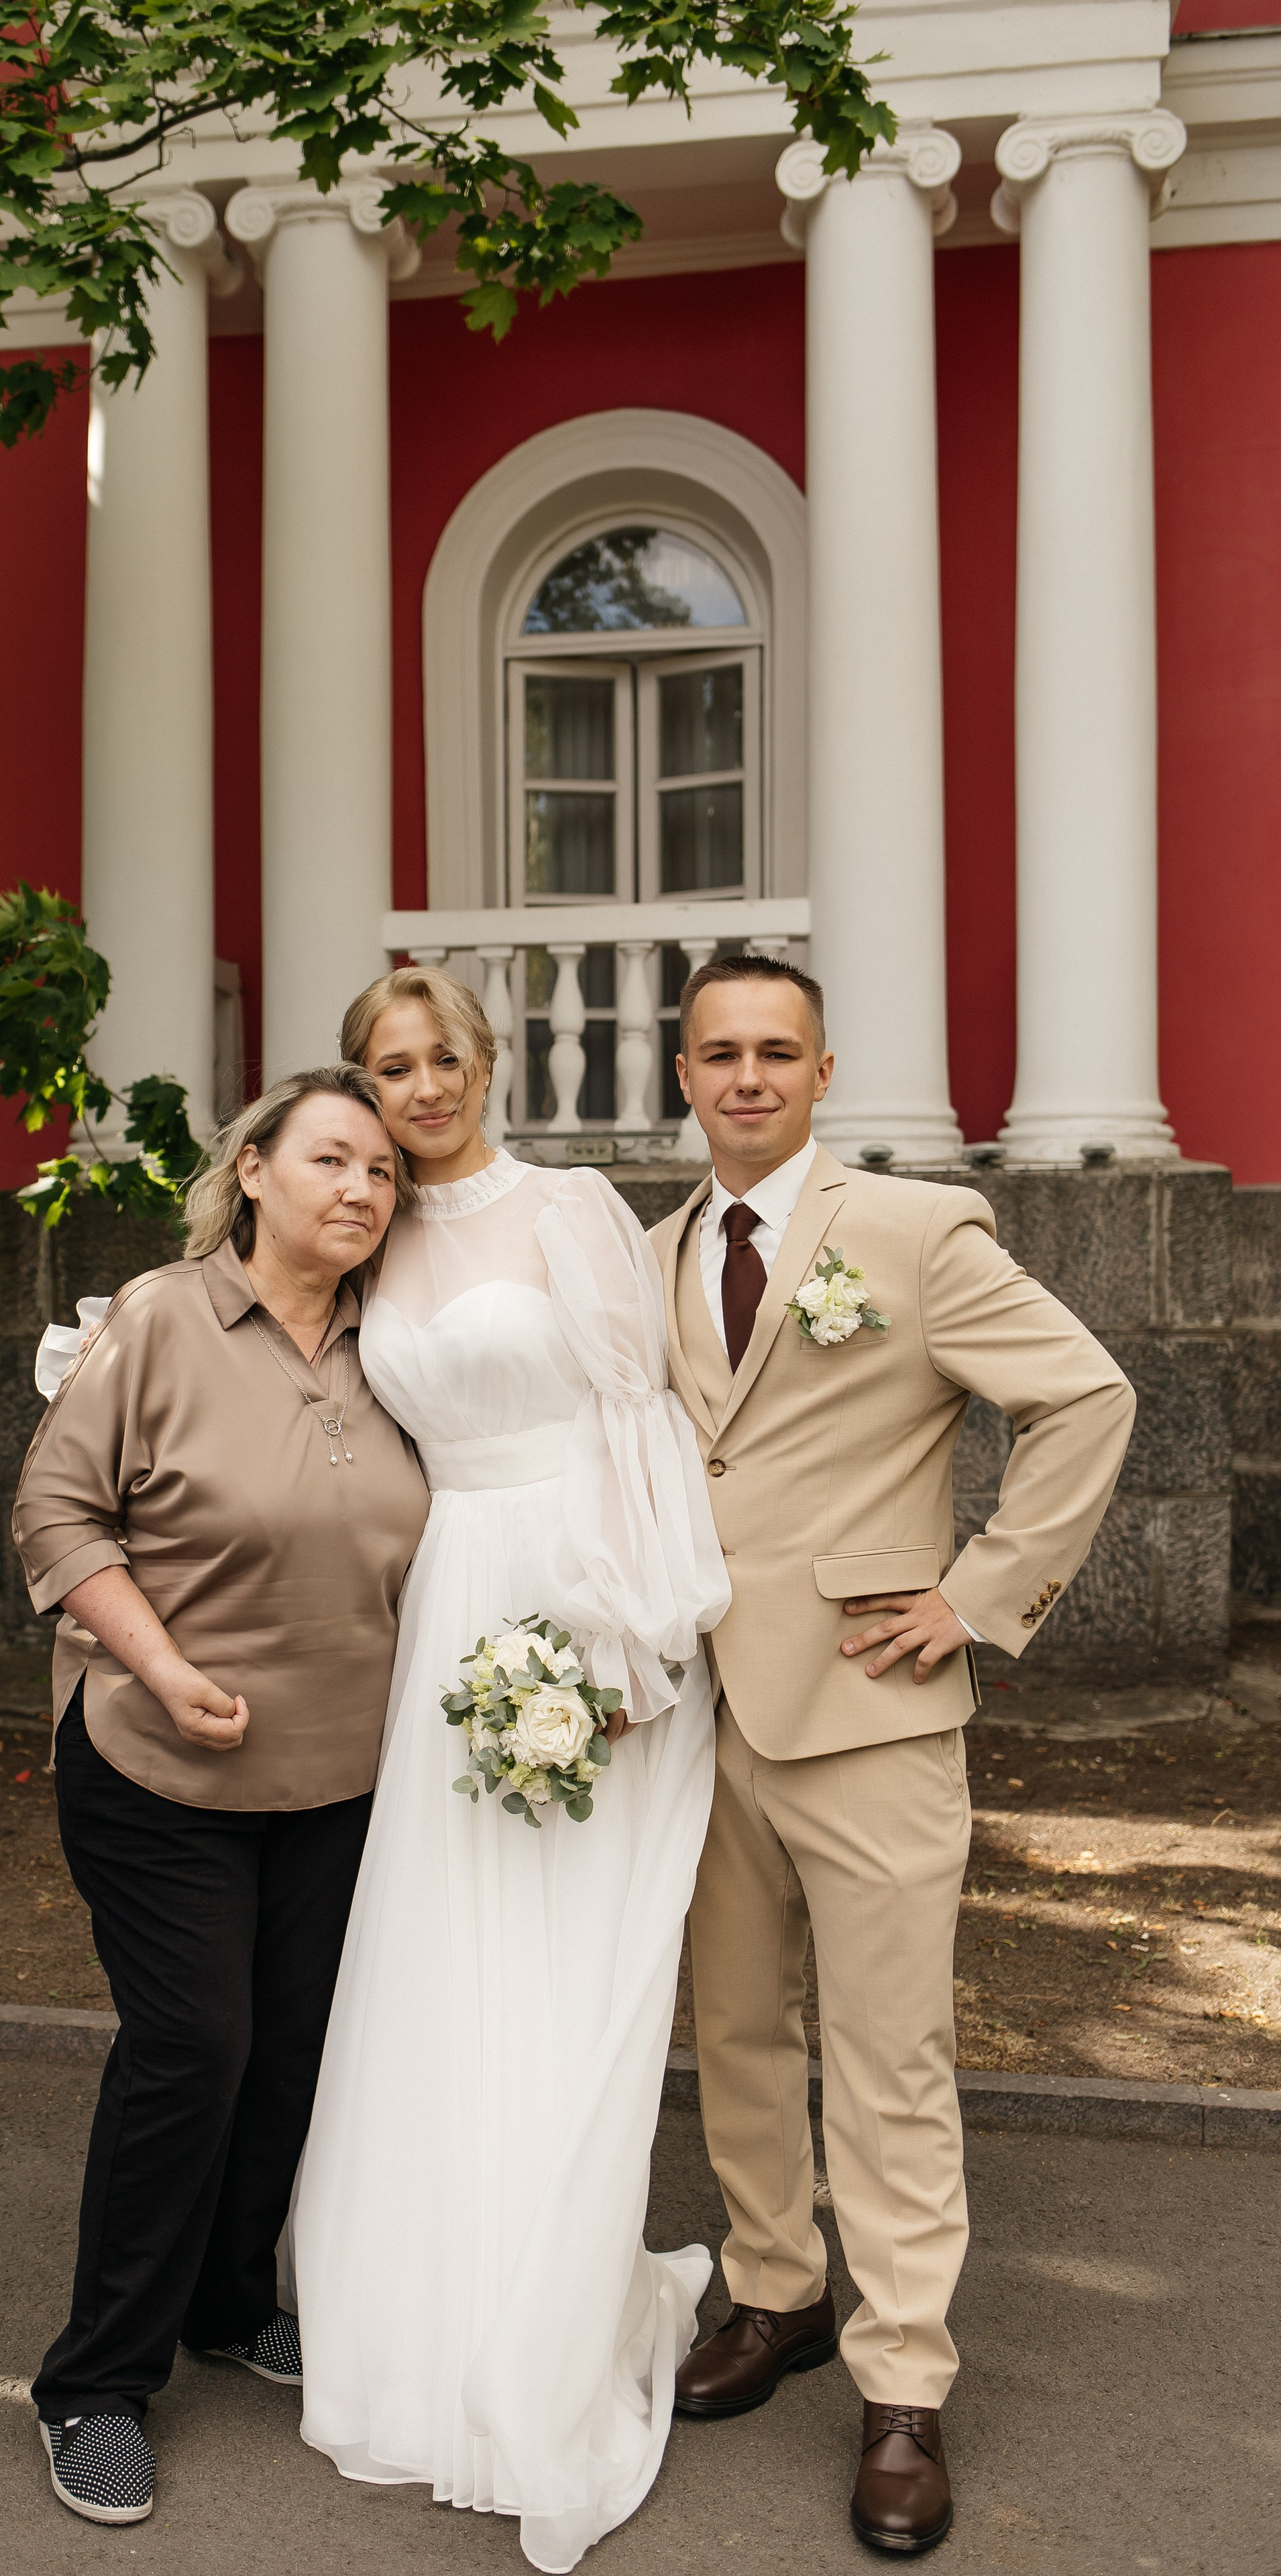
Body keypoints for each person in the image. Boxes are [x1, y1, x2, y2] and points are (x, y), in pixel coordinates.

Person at [649, 955, 1134, 2558]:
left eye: (772, 1052)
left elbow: (1082, 1399)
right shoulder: (650, 1258)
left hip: (869, 1708)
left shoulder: (913, 1233)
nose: (744, 1077)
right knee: (729, 2032)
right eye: (716, 1052)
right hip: (696, 1718)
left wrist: (979, 1596)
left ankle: (903, 2383)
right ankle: (773, 2293)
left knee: (887, 2057)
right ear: (682, 1070)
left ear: (821, 1068)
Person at [292, 969, 731, 2573]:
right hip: (446, 1609)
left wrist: (629, 1643)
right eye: (387, 1068)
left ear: (488, 1061)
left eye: (440, 1057)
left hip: (580, 1599)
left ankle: (550, 2319)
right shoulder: (364, 1233)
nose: (419, 1089)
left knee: (563, 1966)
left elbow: (640, 1418)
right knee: (434, 1957)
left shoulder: (570, 1210)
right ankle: (427, 2312)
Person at [10, 1066, 430, 2528]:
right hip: (156, 1754)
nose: (359, 1191)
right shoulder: (164, 1317)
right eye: (328, 1159)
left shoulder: (404, 1345)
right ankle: (94, 2384)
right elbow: (54, 1511)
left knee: (289, 2055)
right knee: (193, 2044)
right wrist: (160, 1662)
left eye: (381, 1172)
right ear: (253, 1171)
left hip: (343, 1772)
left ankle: (227, 2300)